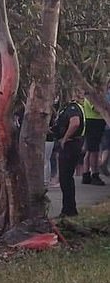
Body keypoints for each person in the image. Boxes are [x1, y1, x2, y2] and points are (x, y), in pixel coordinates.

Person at [53, 89, 86, 217]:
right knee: (66, 178)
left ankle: (69, 209)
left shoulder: (73, 107)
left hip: (71, 144)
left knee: (65, 178)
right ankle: (68, 208)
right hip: (72, 143)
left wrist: (65, 138)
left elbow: (75, 123)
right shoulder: (69, 107)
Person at [81, 95, 105, 185]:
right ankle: (94, 174)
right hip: (94, 121)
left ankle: (86, 173)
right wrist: (105, 107)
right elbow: (96, 108)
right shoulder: (91, 96)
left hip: (95, 121)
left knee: (90, 149)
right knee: (94, 150)